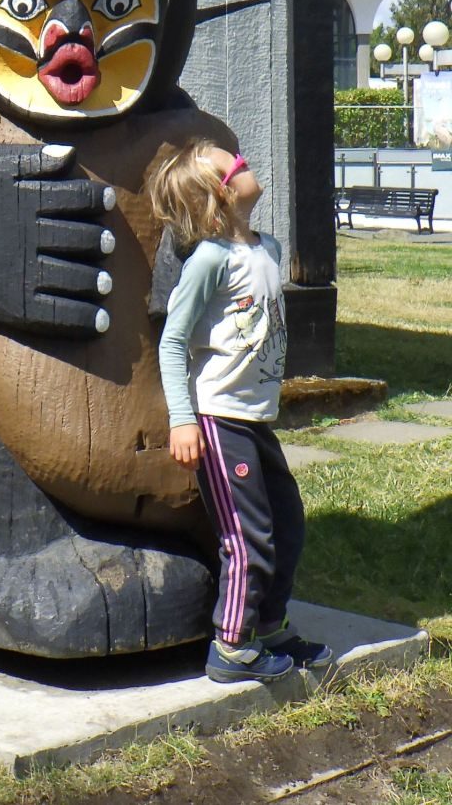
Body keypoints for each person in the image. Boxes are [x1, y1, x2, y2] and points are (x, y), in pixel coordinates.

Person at [149, 140, 333, 684]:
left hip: (254, 419)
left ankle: (269, 626)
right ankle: (230, 646)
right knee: (247, 534)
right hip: (217, 418)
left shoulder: (268, 248)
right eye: (227, 162)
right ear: (220, 196)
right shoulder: (210, 259)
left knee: (288, 523)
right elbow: (172, 340)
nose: (239, 159)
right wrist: (182, 419)